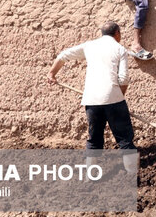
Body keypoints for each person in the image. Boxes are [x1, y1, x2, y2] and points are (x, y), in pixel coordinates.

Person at [47, 21, 138, 174]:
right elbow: (123, 79)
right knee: (124, 139)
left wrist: (51, 73)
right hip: (114, 99)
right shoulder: (119, 48)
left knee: (94, 138)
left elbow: (63, 56)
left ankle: (91, 175)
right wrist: (118, 97)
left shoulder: (89, 46)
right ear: (117, 34)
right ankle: (132, 174)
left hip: (91, 100)